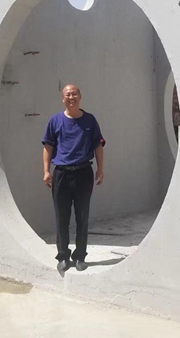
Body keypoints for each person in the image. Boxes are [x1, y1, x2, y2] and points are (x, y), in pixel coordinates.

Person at [41, 84, 105, 272]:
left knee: (82, 217)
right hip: (61, 174)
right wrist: (46, 171)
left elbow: (98, 146)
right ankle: (63, 256)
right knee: (61, 217)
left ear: (80, 96)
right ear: (63, 99)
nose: (71, 97)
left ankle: (80, 257)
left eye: (74, 94)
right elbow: (48, 147)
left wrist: (100, 169)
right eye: (68, 94)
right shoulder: (55, 121)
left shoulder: (90, 120)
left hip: (83, 173)